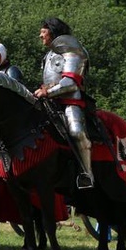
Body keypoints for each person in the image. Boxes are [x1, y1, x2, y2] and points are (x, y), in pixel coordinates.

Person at [33, 18, 93, 189]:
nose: (40, 35)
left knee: (76, 131)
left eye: (43, 32)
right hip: (49, 103)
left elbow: (70, 83)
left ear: (52, 32)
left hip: (70, 102)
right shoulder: (49, 55)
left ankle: (86, 174)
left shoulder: (72, 50)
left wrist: (47, 92)